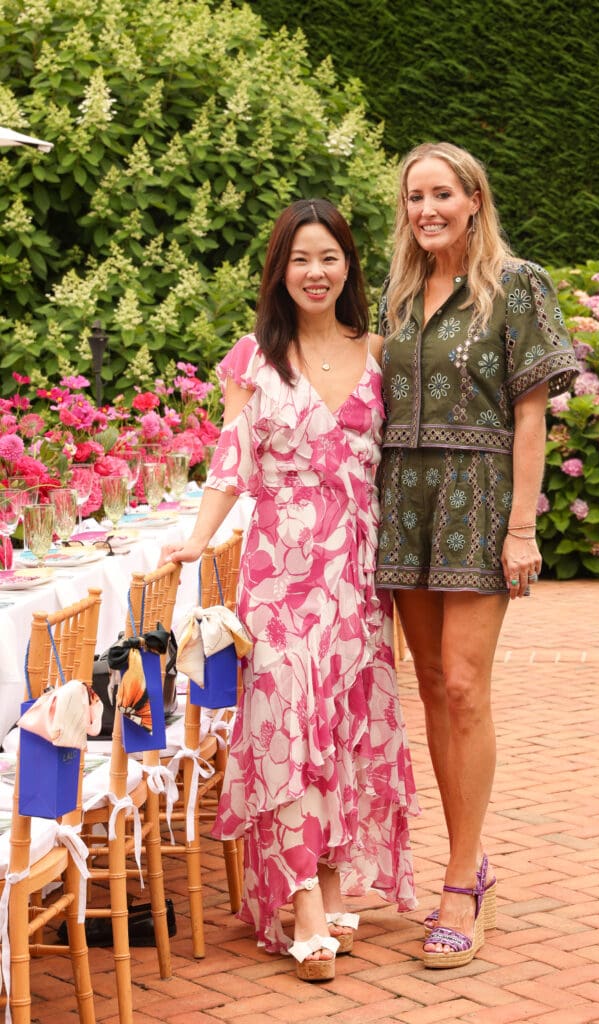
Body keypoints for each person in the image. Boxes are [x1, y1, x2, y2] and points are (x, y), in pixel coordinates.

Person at [161, 198, 417, 981]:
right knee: (284, 727)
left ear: (348, 266)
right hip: (279, 576)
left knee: (340, 732)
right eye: (300, 259)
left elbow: (405, 470)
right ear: (280, 271)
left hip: (358, 580)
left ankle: (332, 881)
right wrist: (199, 539)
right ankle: (303, 901)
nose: (315, 272)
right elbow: (229, 463)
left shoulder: (380, 353)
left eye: (328, 257)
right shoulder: (254, 360)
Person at [376, 142, 579, 968]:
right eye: (414, 198)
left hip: (477, 499)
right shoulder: (393, 294)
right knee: (427, 683)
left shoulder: (516, 284)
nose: (427, 210)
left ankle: (462, 880)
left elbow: (530, 415)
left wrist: (521, 525)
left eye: (441, 195)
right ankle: (466, 862)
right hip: (400, 504)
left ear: (472, 199)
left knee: (464, 684)